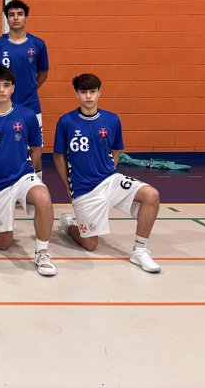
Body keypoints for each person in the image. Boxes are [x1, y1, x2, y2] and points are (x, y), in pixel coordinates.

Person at [53, 73, 162, 273]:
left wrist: (110, 171)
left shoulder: (112, 119)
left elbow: (116, 150)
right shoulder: (66, 121)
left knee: (151, 195)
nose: (88, 96)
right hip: (84, 188)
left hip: (109, 180)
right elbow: (58, 156)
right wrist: (68, 186)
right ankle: (68, 226)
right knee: (90, 244)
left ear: (99, 93)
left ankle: (139, 250)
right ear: (76, 94)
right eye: (83, 92)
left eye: (92, 91)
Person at [0, 66, 56, 276]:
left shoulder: (26, 115)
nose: (2, 90)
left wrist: (29, 171)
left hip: (22, 176)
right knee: (3, 244)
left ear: (13, 88)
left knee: (43, 196)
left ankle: (42, 252)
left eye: (6, 85)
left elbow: (36, 148)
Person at [0, 0, 49, 179]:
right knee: (5, 145)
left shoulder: (38, 44)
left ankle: (35, 182)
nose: (15, 18)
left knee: (35, 146)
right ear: (7, 18)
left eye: (20, 14)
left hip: (30, 105)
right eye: (11, 14)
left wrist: (31, 89)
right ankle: (4, 183)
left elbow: (43, 73)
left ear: (26, 17)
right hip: (3, 107)